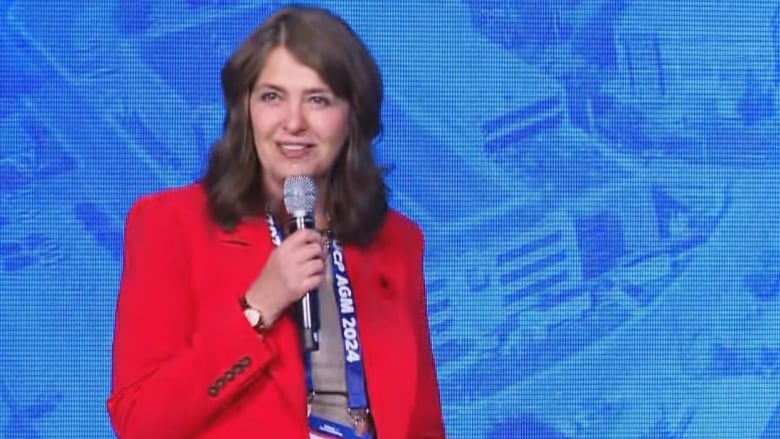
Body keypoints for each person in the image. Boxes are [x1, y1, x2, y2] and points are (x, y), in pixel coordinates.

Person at [106, 4, 446, 439]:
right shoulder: (170, 225)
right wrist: (257, 309)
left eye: (318, 99)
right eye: (272, 97)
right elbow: (141, 422)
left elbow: (423, 424)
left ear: (352, 116)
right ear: (244, 111)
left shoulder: (398, 240)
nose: (293, 123)